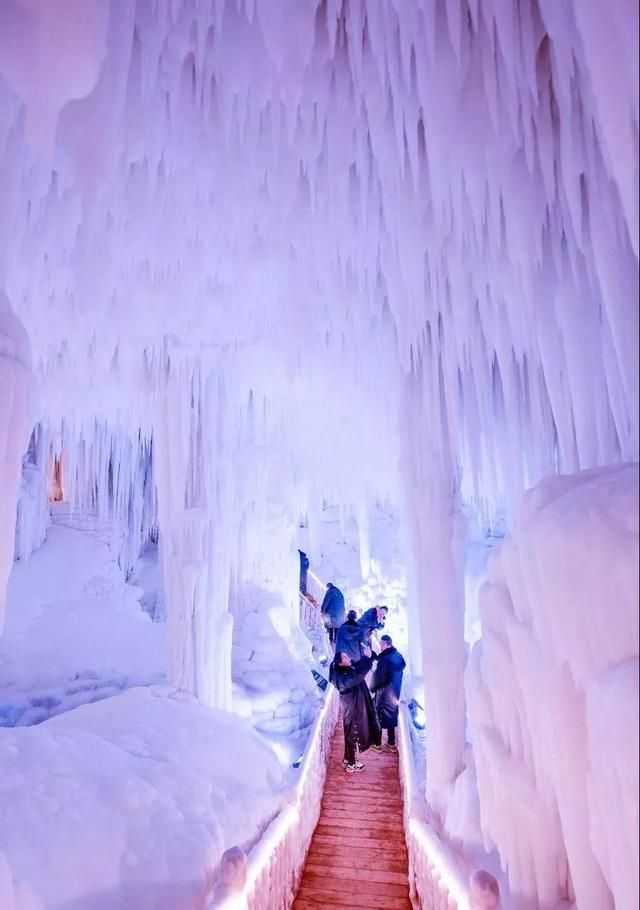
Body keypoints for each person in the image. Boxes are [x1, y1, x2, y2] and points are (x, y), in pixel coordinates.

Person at [329, 647, 381, 772]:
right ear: (340, 662)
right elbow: (358, 675)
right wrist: (368, 660)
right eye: (345, 657)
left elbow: (358, 667)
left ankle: (347, 759)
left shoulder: (345, 669)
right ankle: (351, 763)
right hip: (353, 707)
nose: (349, 658)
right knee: (354, 733)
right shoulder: (342, 677)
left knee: (349, 732)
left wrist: (368, 656)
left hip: (353, 705)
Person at [370, 634, 406, 752]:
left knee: (377, 717)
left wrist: (373, 688)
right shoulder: (397, 656)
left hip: (384, 693)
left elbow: (378, 677)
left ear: (386, 644)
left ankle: (377, 745)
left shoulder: (384, 660)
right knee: (390, 716)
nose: (380, 646)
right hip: (394, 693)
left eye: (381, 644)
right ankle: (391, 744)